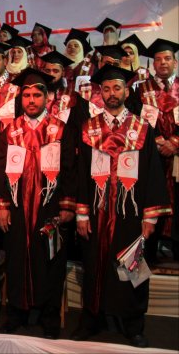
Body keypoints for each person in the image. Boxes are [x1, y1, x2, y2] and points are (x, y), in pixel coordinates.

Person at [72, 65, 172, 348]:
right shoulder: (89, 128)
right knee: (95, 266)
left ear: (127, 92)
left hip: (131, 212)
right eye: (106, 89)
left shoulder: (142, 128)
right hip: (97, 210)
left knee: (133, 265)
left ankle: (133, 324)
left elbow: (153, 174)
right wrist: (81, 213)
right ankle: (92, 320)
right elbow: (81, 174)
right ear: (100, 94)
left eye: (117, 88)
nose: (111, 93)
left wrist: (150, 218)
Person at [0, 68, 77, 339]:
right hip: (17, 208)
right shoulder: (10, 131)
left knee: (50, 259)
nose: (31, 100)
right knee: (16, 259)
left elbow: (70, 169)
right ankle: (16, 313)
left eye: (36, 95)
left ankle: (49, 316)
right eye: (26, 95)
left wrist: (67, 205)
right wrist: (2, 205)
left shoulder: (59, 130)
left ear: (47, 97)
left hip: (48, 207)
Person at [139, 39, 179, 263]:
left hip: (177, 158)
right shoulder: (142, 90)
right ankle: (150, 253)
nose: (163, 62)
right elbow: (136, 119)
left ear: (175, 62)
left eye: (167, 58)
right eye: (158, 59)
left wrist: (175, 142)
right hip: (152, 156)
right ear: (153, 64)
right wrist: (156, 141)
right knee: (152, 199)